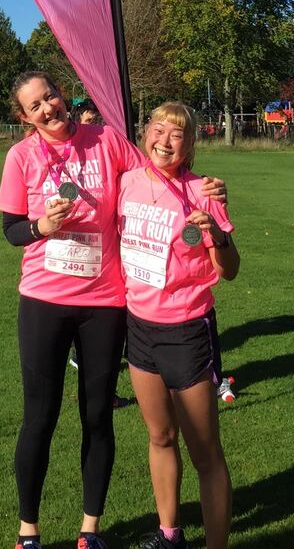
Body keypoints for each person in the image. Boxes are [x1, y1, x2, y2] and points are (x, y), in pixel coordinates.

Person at [0, 73, 226, 549]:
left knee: (97, 414)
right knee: (39, 416)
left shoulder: (106, 140)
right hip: (43, 299)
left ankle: (90, 530)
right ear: (24, 116)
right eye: (34, 105)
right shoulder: (21, 157)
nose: (47, 109)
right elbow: (12, 229)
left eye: (51, 96)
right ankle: (28, 533)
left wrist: (206, 187)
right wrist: (40, 226)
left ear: (63, 95)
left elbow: (160, 170)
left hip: (105, 303)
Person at [119, 103, 239, 549]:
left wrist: (217, 235)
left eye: (177, 134)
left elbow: (229, 269)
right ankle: (170, 534)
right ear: (145, 133)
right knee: (160, 435)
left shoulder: (203, 192)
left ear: (189, 145)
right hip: (139, 327)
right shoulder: (126, 182)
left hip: (188, 329)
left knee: (205, 453)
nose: (164, 140)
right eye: (157, 128)